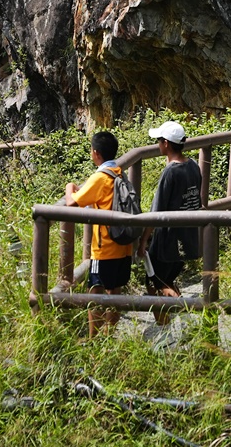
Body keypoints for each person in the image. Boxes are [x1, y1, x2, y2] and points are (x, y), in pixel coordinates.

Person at [65, 131, 131, 337]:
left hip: (104, 248)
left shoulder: (100, 178)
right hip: (124, 244)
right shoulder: (119, 172)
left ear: (95, 153)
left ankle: (94, 339)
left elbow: (72, 202)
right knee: (116, 291)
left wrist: (70, 187)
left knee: (95, 291)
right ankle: (108, 335)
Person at [138, 120, 202, 326]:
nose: (157, 144)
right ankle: (182, 324)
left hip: (168, 240)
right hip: (188, 237)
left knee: (154, 281)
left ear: (166, 143)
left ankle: (166, 327)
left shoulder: (170, 172)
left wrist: (143, 241)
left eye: (158, 140)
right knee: (168, 280)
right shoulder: (193, 166)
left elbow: (156, 212)